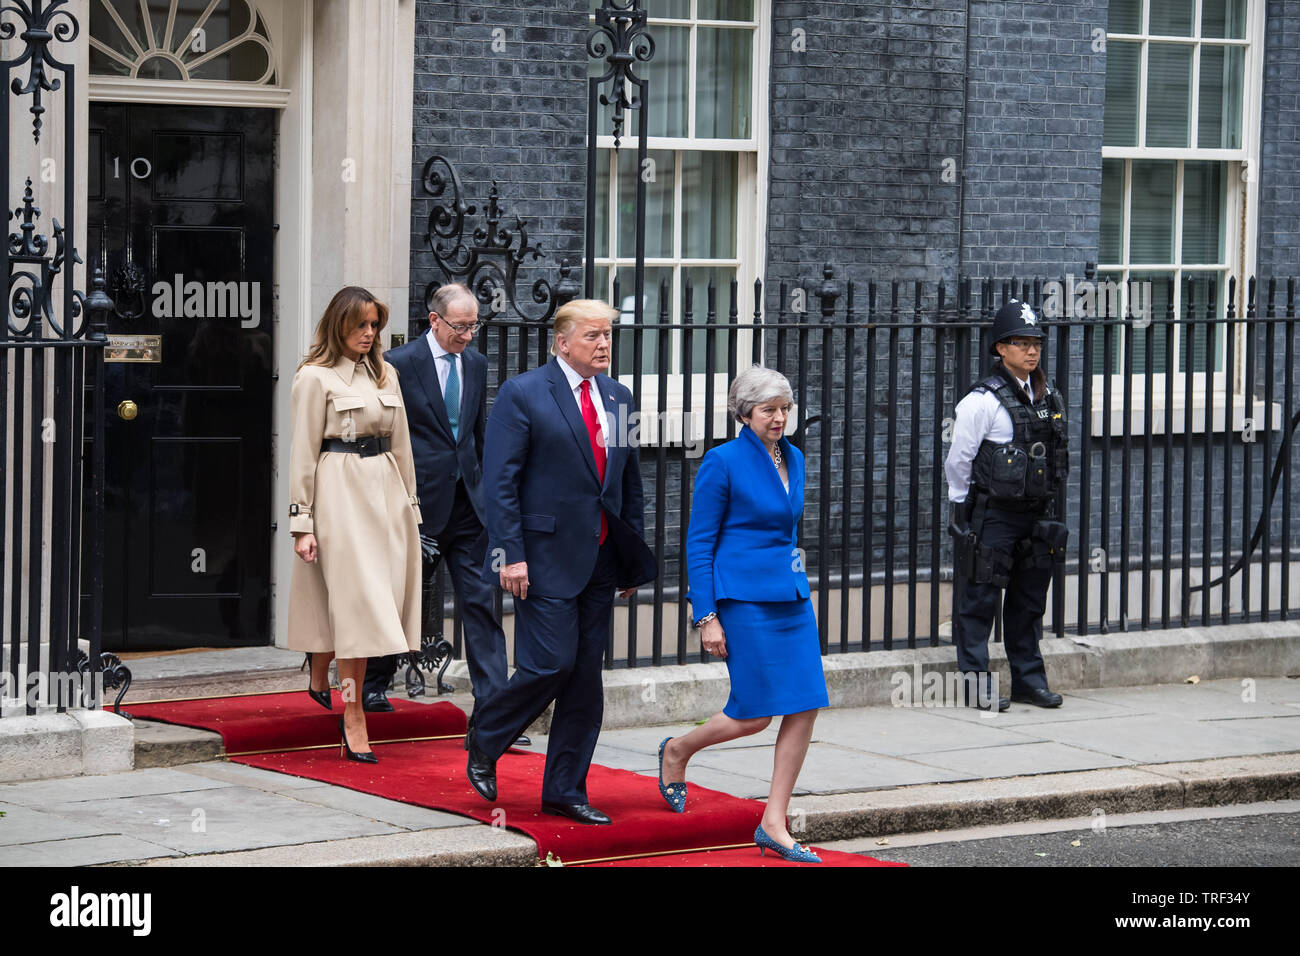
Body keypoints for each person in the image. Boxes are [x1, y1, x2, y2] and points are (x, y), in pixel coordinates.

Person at [464, 299, 656, 825]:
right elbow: (499, 483)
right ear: (562, 342)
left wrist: (630, 559)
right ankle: (486, 735)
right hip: (540, 557)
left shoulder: (619, 397)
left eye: (608, 336)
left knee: (585, 682)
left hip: (598, 558)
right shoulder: (523, 394)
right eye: (593, 335)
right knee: (552, 663)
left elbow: (627, 485)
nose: (603, 344)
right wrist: (509, 555)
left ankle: (564, 791)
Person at [660, 366, 829, 864]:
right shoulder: (722, 461)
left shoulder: (795, 458)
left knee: (804, 704)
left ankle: (773, 822)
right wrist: (706, 615)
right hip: (743, 600)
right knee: (753, 713)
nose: (778, 418)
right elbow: (699, 542)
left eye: (784, 409)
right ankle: (678, 750)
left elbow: (788, 531)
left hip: (791, 598)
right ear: (743, 413)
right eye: (767, 410)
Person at [359, 283, 529, 747]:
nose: (469, 335)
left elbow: (475, 436)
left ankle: (495, 719)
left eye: (475, 325)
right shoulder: (398, 363)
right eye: (460, 326)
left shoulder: (474, 364)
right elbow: (387, 435)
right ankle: (372, 685)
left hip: (469, 509)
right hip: (417, 505)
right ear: (434, 320)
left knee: (482, 606)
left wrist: (490, 496)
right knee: (399, 599)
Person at [286, 286, 423, 762]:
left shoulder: (388, 374)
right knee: (358, 601)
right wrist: (301, 522)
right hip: (338, 491)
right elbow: (302, 453)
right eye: (360, 325)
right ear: (338, 325)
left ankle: (320, 664)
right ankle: (353, 712)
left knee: (369, 595)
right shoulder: (314, 378)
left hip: (384, 492)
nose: (369, 334)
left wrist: (411, 504)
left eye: (374, 326)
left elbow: (402, 443)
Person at [945, 299, 1069, 712]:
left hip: (1036, 515)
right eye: (1021, 343)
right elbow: (959, 459)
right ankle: (976, 686)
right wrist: (961, 512)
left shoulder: (1048, 395)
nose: (1032, 351)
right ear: (1001, 348)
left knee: (1029, 603)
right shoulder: (981, 401)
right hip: (993, 513)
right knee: (979, 602)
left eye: (1036, 342)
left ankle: (1028, 682)